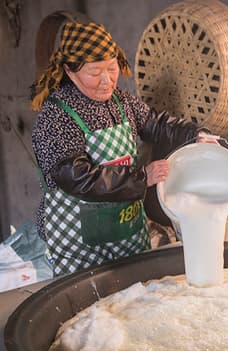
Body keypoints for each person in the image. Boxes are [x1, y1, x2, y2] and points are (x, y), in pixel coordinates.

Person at [31, 20, 216, 276]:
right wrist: (142, 177)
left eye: (112, 67)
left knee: (134, 298)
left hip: (125, 230)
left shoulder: (121, 102)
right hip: (79, 241)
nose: (107, 80)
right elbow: (75, 176)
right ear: (70, 71)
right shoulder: (57, 116)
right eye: (95, 73)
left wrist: (195, 134)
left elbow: (156, 123)